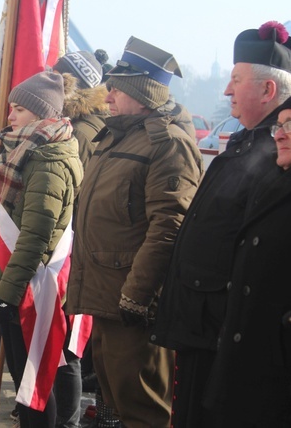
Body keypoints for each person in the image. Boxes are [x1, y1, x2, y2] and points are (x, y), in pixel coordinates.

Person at [152, 21, 291, 427]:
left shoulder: (275, 156)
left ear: (268, 90)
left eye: (236, 81)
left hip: (222, 331)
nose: (227, 91)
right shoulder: (248, 140)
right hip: (200, 323)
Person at [65, 37, 203, 428]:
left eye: (117, 88)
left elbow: (169, 226)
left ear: (141, 94)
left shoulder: (167, 145)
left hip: (132, 303)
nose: (107, 96)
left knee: (142, 409)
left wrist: (136, 295)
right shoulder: (118, 135)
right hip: (104, 295)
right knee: (112, 400)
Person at [0, 71, 84, 428]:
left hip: (28, 289)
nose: (10, 116)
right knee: (27, 385)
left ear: (41, 114)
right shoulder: (29, 150)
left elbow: (34, 237)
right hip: (18, 284)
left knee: (33, 388)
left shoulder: (47, 160)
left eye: (18, 109)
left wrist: (7, 296)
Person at [199, 107, 291, 426]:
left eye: (290, 125)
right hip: (251, 366)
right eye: (279, 124)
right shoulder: (272, 183)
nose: (279, 133)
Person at [53, 50, 108, 428]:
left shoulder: (82, 133)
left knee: (67, 350)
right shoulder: (74, 125)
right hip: (69, 251)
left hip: (72, 252)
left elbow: (73, 195)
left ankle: (67, 421)